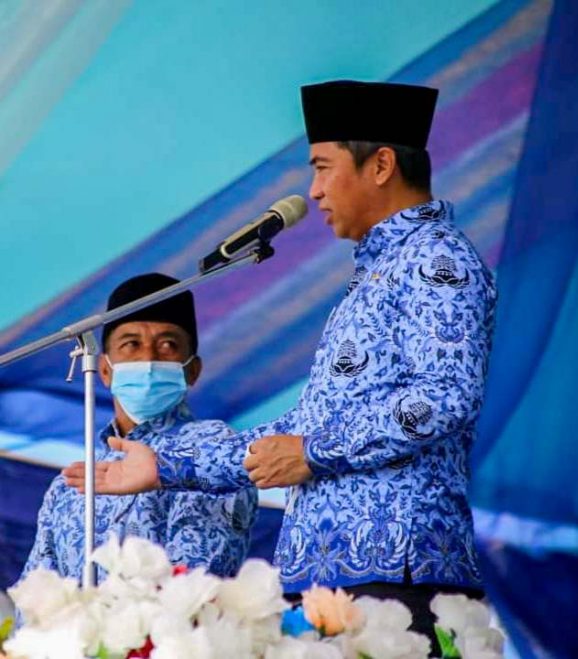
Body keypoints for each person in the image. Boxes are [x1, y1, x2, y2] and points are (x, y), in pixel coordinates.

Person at [64, 81, 497, 643]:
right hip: (328, 587)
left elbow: (444, 397)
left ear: (381, 165)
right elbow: (300, 433)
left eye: (322, 167)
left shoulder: (437, 260)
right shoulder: (376, 274)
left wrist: (312, 452)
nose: (313, 191)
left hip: (397, 578)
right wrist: (167, 465)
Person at [24, 273, 257, 582]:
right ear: (104, 370)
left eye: (168, 344)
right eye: (131, 344)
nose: (148, 357)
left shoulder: (213, 448)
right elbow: (35, 594)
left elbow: (193, 580)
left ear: (193, 370)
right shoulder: (69, 486)